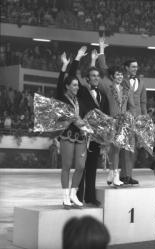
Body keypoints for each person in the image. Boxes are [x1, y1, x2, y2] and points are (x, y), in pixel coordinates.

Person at [72, 48, 109, 207]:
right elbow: (72, 76)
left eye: (97, 76)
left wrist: (105, 135)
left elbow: (106, 116)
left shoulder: (103, 95)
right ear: (87, 79)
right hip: (83, 135)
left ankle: (90, 196)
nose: (95, 78)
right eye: (92, 76)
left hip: (96, 137)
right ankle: (78, 196)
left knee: (92, 167)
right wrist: (78, 58)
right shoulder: (82, 92)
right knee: (81, 167)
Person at [96, 40, 136, 186]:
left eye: (121, 75)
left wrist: (130, 117)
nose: (120, 77)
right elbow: (102, 68)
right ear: (112, 76)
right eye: (117, 75)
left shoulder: (126, 90)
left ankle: (113, 174)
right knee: (114, 149)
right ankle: (114, 175)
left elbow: (131, 106)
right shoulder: (107, 86)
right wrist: (101, 50)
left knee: (117, 149)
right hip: (112, 121)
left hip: (123, 123)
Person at [56, 50, 88, 208]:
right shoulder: (62, 97)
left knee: (81, 166)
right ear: (67, 86)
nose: (77, 87)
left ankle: (74, 194)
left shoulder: (79, 99)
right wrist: (67, 65)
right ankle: (65, 196)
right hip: (67, 135)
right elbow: (60, 81)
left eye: (77, 85)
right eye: (74, 85)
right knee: (67, 166)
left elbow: (74, 77)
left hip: (81, 135)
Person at [118, 56, 147, 184]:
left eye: (136, 66)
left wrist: (144, 118)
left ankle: (128, 175)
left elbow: (143, 102)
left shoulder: (141, 82)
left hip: (138, 118)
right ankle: (123, 175)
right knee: (125, 148)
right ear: (127, 68)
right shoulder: (121, 80)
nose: (136, 68)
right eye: (133, 66)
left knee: (132, 148)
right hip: (125, 117)